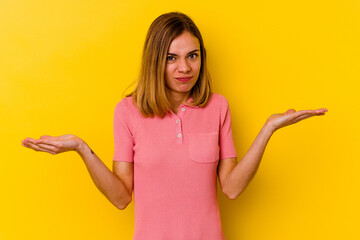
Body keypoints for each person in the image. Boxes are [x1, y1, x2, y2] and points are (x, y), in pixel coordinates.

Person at [21, 12, 328, 240]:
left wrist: (268, 129)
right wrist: (80, 147)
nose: (185, 68)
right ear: (155, 60)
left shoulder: (218, 106)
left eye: (192, 56)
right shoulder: (127, 111)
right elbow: (121, 197)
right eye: (172, 58)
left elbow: (232, 188)